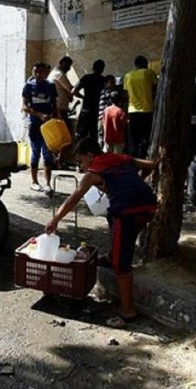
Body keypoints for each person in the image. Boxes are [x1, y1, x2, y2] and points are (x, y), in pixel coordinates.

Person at [45, 137, 157, 325]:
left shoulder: (92, 173)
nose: (81, 167)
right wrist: (135, 182)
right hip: (148, 207)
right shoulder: (119, 157)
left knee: (122, 264)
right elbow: (150, 165)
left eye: (81, 161)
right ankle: (112, 254)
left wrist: (55, 219)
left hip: (127, 211)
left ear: (90, 155)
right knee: (111, 219)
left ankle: (128, 311)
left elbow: (74, 198)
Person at [22, 62, 60, 194]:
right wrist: (39, 114)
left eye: (41, 72)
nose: (38, 74)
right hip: (34, 124)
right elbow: (24, 107)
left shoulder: (50, 86)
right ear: (33, 72)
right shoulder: (28, 86)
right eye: (36, 71)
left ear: (46, 73)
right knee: (35, 153)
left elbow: (54, 105)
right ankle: (34, 182)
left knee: (47, 154)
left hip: (48, 125)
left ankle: (48, 184)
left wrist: (56, 119)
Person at [124, 55, 158, 159]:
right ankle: (142, 160)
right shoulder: (149, 73)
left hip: (132, 111)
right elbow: (156, 89)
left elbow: (126, 94)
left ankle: (133, 162)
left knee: (133, 139)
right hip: (147, 110)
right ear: (145, 64)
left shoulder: (128, 76)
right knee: (146, 138)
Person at [48, 56, 75, 169]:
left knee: (56, 137)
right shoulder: (59, 74)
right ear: (61, 63)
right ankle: (59, 161)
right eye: (67, 66)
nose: (68, 69)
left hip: (55, 109)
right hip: (59, 110)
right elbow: (71, 89)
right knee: (64, 137)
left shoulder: (52, 74)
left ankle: (55, 160)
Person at [72, 59, 106, 143]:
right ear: (102, 69)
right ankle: (92, 155)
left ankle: (78, 153)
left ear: (93, 67)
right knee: (93, 135)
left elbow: (73, 91)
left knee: (81, 135)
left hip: (85, 109)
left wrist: (83, 97)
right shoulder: (102, 80)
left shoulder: (86, 77)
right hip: (96, 111)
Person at [97, 74, 117, 147]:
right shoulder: (105, 92)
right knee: (102, 137)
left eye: (114, 82)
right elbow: (113, 95)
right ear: (105, 83)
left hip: (106, 119)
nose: (113, 84)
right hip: (102, 118)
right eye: (111, 82)